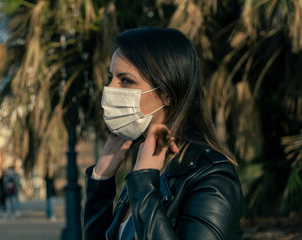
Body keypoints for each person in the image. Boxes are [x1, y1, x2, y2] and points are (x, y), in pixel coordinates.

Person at [83, 27, 243, 240]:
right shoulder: (149, 167)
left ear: (167, 94)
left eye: (126, 80)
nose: (110, 88)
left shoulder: (211, 177)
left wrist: (143, 185)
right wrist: (101, 178)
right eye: (111, 77)